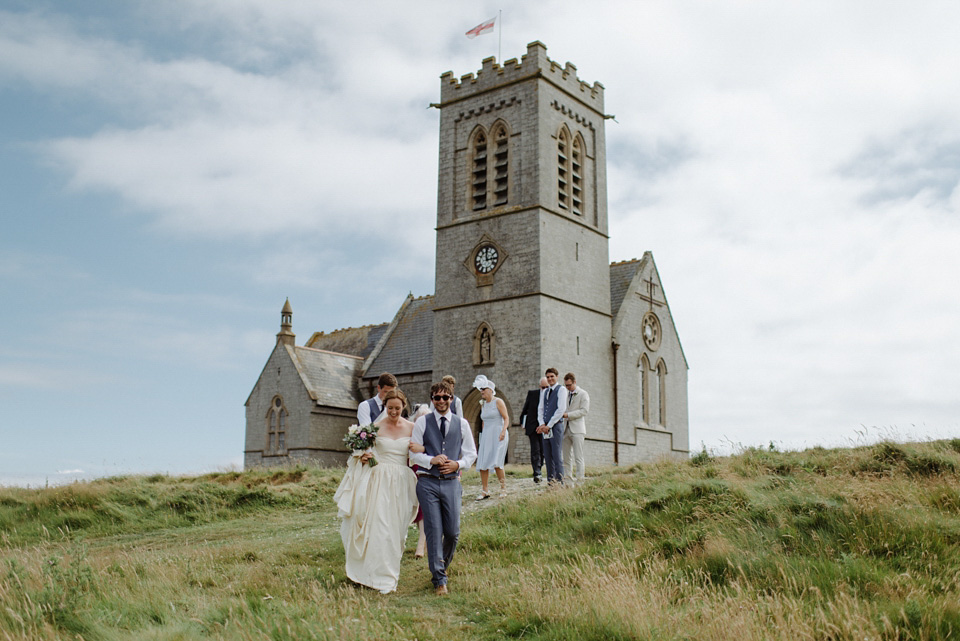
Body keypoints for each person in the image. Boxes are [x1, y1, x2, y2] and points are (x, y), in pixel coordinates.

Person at [333, 389, 419, 594]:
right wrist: (363, 457)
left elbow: (421, 450)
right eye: (390, 408)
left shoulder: (413, 427)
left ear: (403, 407)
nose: (394, 411)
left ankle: (390, 571)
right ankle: (376, 576)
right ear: (384, 407)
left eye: (397, 408)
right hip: (379, 479)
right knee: (379, 526)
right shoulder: (374, 428)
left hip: (401, 482)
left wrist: (421, 450)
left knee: (396, 530)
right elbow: (363, 452)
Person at [410, 381, 477, 595]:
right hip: (427, 481)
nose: (441, 401)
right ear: (432, 400)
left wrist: (458, 464)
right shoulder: (423, 422)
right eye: (437, 398)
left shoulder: (462, 423)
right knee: (434, 531)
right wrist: (432, 459)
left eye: (445, 397)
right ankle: (439, 579)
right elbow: (413, 454)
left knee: (452, 532)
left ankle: (441, 569)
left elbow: (471, 453)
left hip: (451, 483)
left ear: (451, 399)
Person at [472, 375, 510, 500]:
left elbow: (506, 418)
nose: (481, 391)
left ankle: (503, 488)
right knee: (483, 461)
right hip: (487, 434)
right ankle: (485, 490)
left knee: (497, 462)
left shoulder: (498, 402)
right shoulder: (483, 404)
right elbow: (484, 421)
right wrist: (483, 435)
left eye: (484, 389)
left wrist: (504, 431)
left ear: (490, 390)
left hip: (499, 433)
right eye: (481, 389)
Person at [537, 367, 567, 486]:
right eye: (548, 377)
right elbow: (540, 409)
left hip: (556, 426)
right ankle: (551, 481)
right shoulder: (544, 392)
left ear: (557, 377)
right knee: (547, 455)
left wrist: (549, 425)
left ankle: (560, 481)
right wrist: (542, 424)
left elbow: (561, 409)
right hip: (546, 428)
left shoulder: (561, 390)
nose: (550, 379)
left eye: (552, 377)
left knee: (556, 454)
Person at [561, 372, 590, 485]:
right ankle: (568, 480)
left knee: (578, 457)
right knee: (566, 457)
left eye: (569, 385)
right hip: (565, 429)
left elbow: (584, 411)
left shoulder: (583, 394)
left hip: (577, 429)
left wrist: (568, 415)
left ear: (575, 382)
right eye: (566, 385)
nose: (567, 388)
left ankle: (580, 481)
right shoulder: (565, 394)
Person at [518, 377, 549, 483]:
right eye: (543, 387)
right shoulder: (532, 394)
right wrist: (523, 422)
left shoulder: (551, 395)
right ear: (539, 386)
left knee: (543, 450)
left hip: (545, 427)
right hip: (532, 427)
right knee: (535, 450)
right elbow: (525, 409)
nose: (544, 389)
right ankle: (537, 472)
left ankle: (540, 468)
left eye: (547, 387)